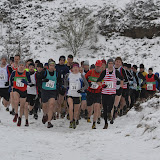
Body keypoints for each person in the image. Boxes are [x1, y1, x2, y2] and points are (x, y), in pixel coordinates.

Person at [97, 59, 123, 129]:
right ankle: (105, 123)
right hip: (105, 93)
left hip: (112, 93)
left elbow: (122, 79)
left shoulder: (116, 72)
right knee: (105, 108)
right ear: (107, 64)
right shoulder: (104, 72)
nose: (110, 65)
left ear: (113, 64)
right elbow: (98, 81)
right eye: (109, 64)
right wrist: (102, 85)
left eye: (112, 63)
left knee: (110, 107)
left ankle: (109, 113)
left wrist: (121, 86)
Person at [37, 60, 61, 128]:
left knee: (51, 105)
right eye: (50, 65)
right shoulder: (44, 72)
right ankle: (45, 114)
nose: (52, 67)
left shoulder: (57, 73)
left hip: (53, 91)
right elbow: (38, 78)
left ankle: (49, 121)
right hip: (45, 91)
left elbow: (59, 81)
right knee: (44, 106)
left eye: (53, 66)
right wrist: (43, 80)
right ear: (48, 66)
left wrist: (59, 88)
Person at [64, 62, 89, 129]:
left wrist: (81, 89)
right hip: (70, 94)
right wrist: (65, 87)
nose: (75, 69)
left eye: (77, 67)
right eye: (74, 67)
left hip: (78, 95)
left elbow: (86, 85)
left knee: (76, 110)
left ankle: (74, 120)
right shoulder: (68, 75)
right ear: (72, 69)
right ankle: (71, 121)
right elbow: (65, 83)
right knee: (71, 107)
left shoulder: (81, 76)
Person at [10, 60, 31, 127]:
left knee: (22, 106)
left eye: (23, 65)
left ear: (25, 67)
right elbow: (10, 80)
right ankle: (16, 113)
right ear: (18, 66)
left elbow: (30, 82)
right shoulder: (14, 72)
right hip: (16, 89)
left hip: (23, 90)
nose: (21, 67)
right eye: (20, 65)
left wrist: (26, 82)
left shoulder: (27, 73)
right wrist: (11, 86)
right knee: (16, 100)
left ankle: (20, 118)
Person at [85, 60, 102, 129]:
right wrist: (88, 84)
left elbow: (104, 83)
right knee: (89, 108)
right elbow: (84, 79)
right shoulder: (90, 72)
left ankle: (94, 123)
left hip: (97, 92)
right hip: (90, 92)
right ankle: (88, 116)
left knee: (96, 106)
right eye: (97, 66)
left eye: (99, 67)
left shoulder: (102, 74)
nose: (98, 68)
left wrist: (100, 84)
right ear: (95, 66)